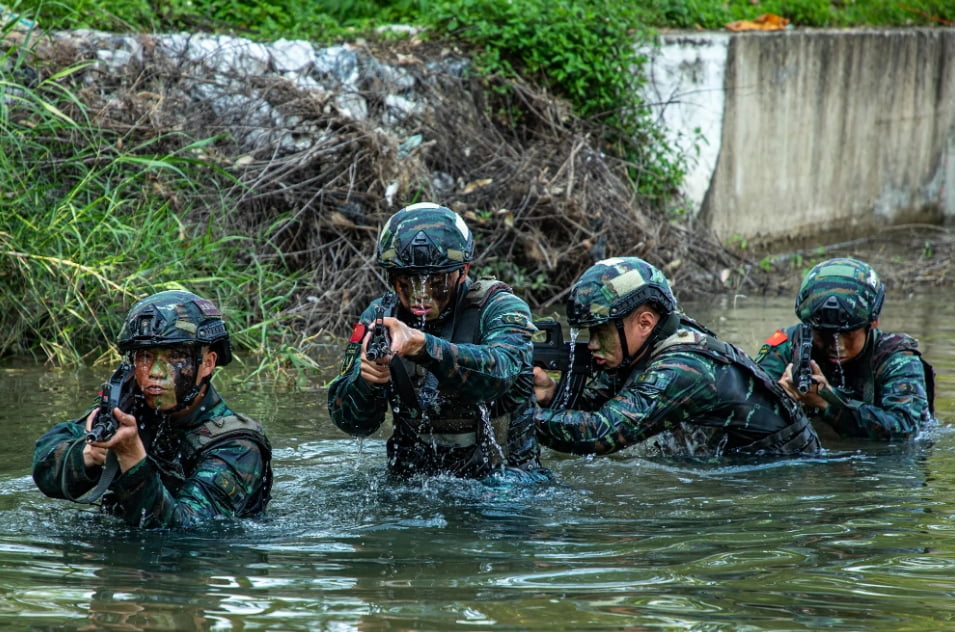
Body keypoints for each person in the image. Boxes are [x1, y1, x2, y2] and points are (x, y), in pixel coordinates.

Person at [327, 202, 545, 479]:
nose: (421, 295)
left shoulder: (500, 308)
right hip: (413, 477)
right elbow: (351, 423)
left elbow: (501, 373)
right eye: (407, 282)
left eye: (435, 282)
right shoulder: (380, 317)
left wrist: (424, 347)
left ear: (463, 271)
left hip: (505, 477)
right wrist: (366, 382)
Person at [529, 256, 820, 458]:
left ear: (644, 322)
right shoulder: (641, 347)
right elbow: (601, 405)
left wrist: (524, 415)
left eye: (600, 333)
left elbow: (604, 432)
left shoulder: (683, 367)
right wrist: (551, 393)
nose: (591, 345)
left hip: (779, 475)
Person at [32, 290, 272, 528]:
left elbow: (185, 531)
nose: (156, 372)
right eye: (145, 356)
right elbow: (45, 462)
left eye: (176, 356)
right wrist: (89, 456)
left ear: (207, 363)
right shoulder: (132, 410)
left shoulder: (238, 446)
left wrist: (131, 458)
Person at [755, 257, 935, 441]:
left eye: (847, 334)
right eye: (824, 334)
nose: (836, 345)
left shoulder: (895, 358)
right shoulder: (786, 346)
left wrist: (826, 402)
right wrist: (778, 397)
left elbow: (906, 430)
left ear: (873, 323)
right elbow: (741, 408)